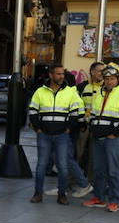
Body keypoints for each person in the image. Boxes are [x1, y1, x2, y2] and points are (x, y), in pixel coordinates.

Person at [28, 63, 85, 205]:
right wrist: (38, 128)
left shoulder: (70, 92)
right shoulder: (40, 92)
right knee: (41, 165)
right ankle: (38, 193)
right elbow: (33, 111)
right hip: (44, 135)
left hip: (62, 135)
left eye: (62, 74)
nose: (61, 76)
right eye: (58, 74)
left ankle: (62, 194)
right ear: (51, 75)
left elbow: (74, 113)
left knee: (63, 166)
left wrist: (67, 128)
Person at [82, 63, 119, 212]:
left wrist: (115, 133)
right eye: (106, 79)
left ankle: (114, 201)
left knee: (113, 171)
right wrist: (92, 128)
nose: (109, 81)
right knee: (99, 170)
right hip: (97, 138)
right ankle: (99, 198)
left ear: (118, 79)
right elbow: (92, 114)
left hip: (113, 139)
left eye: (112, 78)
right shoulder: (99, 94)